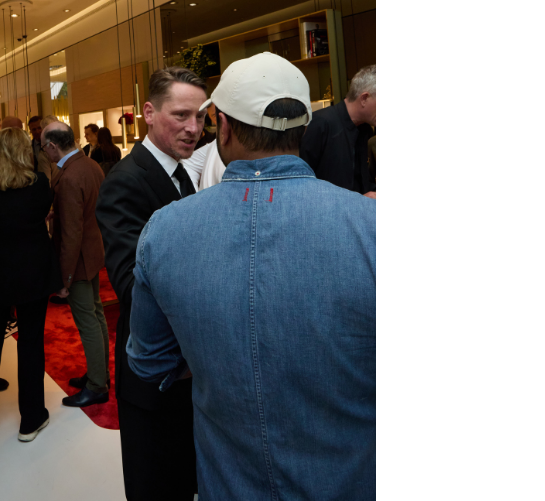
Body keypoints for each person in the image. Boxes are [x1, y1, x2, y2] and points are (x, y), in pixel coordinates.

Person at [126, 52, 376, 500]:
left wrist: (218, 351)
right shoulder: (367, 224)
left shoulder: (164, 230)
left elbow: (150, 362)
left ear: (222, 126)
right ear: (303, 129)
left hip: (229, 484)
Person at [95, 66, 207, 501]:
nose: (193, 128)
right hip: (154, 371)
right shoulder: (126, 180)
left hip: (187, 367)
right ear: (148, 112)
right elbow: (130, 285)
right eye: (181, 115)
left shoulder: (179, 173)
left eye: (200, 116)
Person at [0, 128, 60, 452]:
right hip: (33, 274)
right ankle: (30, 420)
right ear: (25, 152)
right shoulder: (40, 184)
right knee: (31, 344)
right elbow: (42, 211)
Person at [40, 121, 110, 407]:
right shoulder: (89, 165)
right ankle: (99, 373)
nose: (44, 153)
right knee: (96, 315)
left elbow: (71, 234)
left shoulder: (69, 176)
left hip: (78, 259)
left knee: (87, 321)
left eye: (44, 148)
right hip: (92, 252)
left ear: (53, 146)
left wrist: (64, 279)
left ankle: (97, 385)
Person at [298, 64, 376, 198]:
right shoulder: (319, 125)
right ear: (364, 99)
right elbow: (300, 184)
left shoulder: (365, 130)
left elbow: (360, 183)